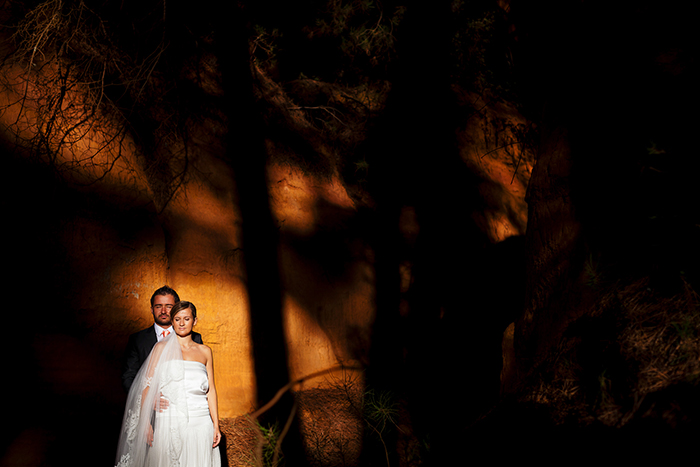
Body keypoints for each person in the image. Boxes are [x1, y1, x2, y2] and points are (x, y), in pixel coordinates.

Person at [115, 301, 221, 467]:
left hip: (201, 423)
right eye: (177, 319)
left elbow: (211, 390)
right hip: (169, 421)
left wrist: (216, 425)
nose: (181, 323)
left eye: (186, 318)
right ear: (172, 322)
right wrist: (146, 424)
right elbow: (146, 385)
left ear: (195, 320)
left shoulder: (205, 351)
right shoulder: (160, 348)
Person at [122, 286, 203, 392]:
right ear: (152, 309)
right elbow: (128, 377)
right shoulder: (138, 339)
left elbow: (199, 375)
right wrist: (147, 400)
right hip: (148, 406)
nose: (163, 311)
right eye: (158, 306)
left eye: (168, 306)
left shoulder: (195, 338)